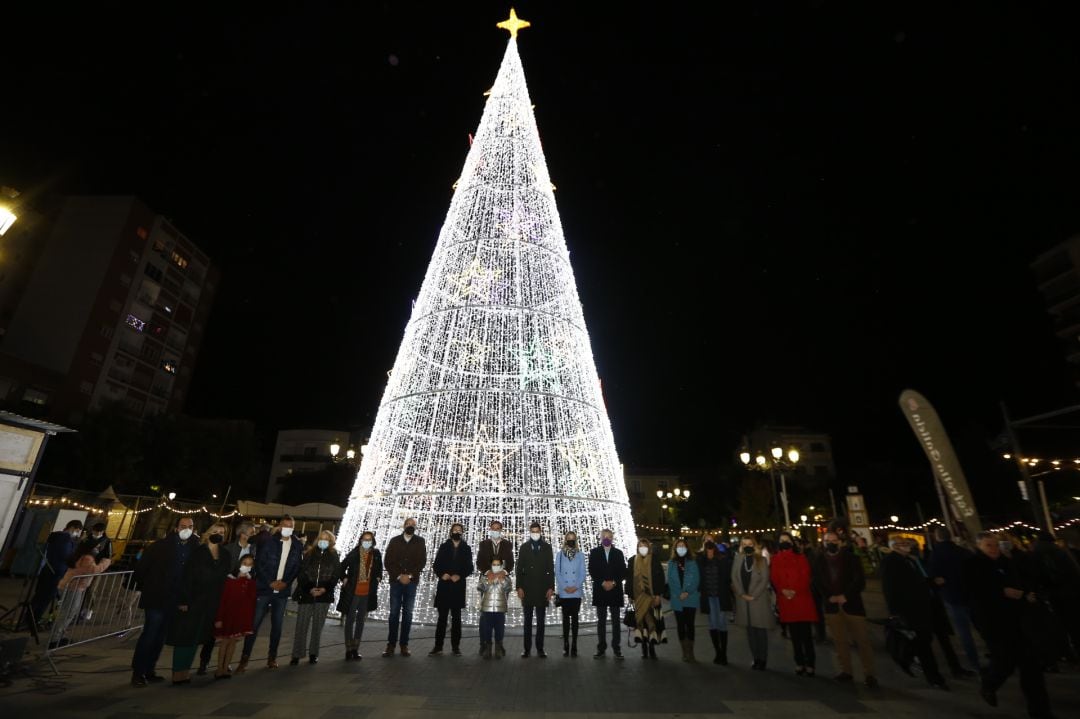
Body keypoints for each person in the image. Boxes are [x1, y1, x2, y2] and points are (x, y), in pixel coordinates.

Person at [963, 532, 1051, 719]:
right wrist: (1001, 592)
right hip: (994, 625)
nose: (994, 549)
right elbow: (975, 594)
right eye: (988, 545)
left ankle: (1040, 712)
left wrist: (1025, 594)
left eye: (995, 545)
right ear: (979, 546)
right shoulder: (973, 565)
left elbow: (1018, 583)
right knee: (1005, 663)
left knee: (1031, 667)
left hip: (1017, 622)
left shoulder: (1005, 562)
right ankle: (989, 684)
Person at [131, 516, 197, 687]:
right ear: (176, 528)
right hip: (157, 597)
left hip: (174, 599)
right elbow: (141, 569)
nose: (186, 529)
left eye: (190, 526)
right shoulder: (160, 546)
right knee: (150, 634)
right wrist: (150, 587)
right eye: (183, 526)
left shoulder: (194, 548)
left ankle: (149, 669)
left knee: (160, 636)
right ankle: (138, 672)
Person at [165, 522, 231, 684]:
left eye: (222, 532)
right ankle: (179, 671)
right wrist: (184, 599)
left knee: (198, 637)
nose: (219, 534)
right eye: (216, 531)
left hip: (212, 601)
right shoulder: (198, 552)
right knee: (185, 636)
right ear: (209, 533)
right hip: (194, 599)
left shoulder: (225, 554)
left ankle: (187, 670)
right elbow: (187, 577)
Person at [811, 530, 877, 688]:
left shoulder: (852, 558)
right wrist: (829, 597)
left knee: (862, 641)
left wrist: (845, 596)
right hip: (832, 606)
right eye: (827, 540)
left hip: (852, 604)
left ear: (840, 542)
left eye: (834, 540)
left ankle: (870, 674)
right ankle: (846, 670)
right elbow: (817, 582)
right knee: (840, 641)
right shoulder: (819, 560)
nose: (831, 543)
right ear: (823, 542)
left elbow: (859, 581)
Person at [881, 536, 949, 690]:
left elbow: (918, 581)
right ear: (893, 547)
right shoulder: (890, 561)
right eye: (901, 544)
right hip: (908, 610)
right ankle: (934, 677)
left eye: (906, 543)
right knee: (922, 643)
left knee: (923, 640)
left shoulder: (910, 560)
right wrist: (894, 612)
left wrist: (932, 583)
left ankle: (915, 662)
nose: (905, 546)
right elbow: (889, 588)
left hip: (922, 608)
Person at [238, 515, 303, 671]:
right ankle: (244, 659)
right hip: (265, 588)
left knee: (277, 626)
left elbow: (296, 567)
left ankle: (272, 657)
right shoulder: (268, 542)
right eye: (285, 525)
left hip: (282, 591)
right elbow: (259, 564)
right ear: (280, 526)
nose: (287, 528)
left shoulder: (297, 545)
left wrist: (285, 582)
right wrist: (270, 582)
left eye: (291, 525)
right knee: (254, 624)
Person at [928, 525, 981, 673]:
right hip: (971, 595)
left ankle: (974, 662)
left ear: (937, 537)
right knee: (981, 626)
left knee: (964, 632)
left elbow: (934, 577)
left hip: (951, 596)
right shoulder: (962, 551)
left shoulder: (936, 553)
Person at [771, 531, 818, 676]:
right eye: (782, 540)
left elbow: (805, 576)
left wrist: (794, 590)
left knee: (806, 635)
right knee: (795, 636)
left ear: (792, 542)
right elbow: (774, 577)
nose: (784, 542)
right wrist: (783, 590)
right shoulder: (776, 559)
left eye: (787, 540)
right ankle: (799, 662)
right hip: (786, 601)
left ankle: (810, 664)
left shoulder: (800, 557)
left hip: (801, 599)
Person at [290, 529, 339, 665]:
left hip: (324, 596)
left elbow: (336, 575)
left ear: (330, 542)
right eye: (321, 538)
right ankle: (297, 654)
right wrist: (309, 588)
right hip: (307, 594)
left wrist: (324, 588)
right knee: (301, 625)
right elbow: (302, 573)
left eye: (326, 539)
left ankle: (313, 653)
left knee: (317, 626)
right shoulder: (309, 553)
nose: (323, 541)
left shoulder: (334, 555)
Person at [382, 517, 427, 657]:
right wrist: (399, 576)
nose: (410, 526)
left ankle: (404, 644)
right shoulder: (394, 540)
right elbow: (388, 561)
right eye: (408, 524)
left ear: (416, 527)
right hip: (396, 582)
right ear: (404, 526)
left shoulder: (420, 541)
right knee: (394, 613)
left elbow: (422, 561)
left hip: (411, 583)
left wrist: (410, 576)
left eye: (413, 525)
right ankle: (391, 644)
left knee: (408, 613)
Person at [429, 522, 474, 656]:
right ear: (451, 532)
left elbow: (469, 567)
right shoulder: (444, 546)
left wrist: (459, 575)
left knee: (456, 618)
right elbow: (436, 564)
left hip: (458, 586)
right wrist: (442, 574)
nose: (457, 532)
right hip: (444, 585)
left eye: (459, 530)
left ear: (462, 533)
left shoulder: (466, 548)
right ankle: (438, 646)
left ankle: (455, 647)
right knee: (442, 618)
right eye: (455, 530)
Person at [28, 520, 83, 627]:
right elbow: (65, 556)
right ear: (72, 527)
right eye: (77, 530)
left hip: (48, 569)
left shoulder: (55, 536)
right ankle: (34, 621)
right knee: (46, 597)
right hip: (57, 571)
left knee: (39, 595)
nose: (77, 533)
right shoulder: (65, 539)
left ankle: (29, 618)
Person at [211, 554, 258, 679]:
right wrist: (219, 618)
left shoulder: (250, 582)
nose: (246, 566)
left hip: (240, 616)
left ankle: (226, 667)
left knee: (233, 642)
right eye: (244, 563)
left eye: (249, 564)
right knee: (224, 642)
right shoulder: (230, 580)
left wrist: (247, 580)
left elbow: (252, 599)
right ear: (239, 564)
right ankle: (219, 668)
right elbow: (223, 600)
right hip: (227, 615)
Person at [338, 530, 382, 661]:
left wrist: (378, 577)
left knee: (360, 621)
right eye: (364, 539)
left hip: (367, 592)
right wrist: (344, 578)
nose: (367, 542)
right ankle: (348, 649)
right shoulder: (354, 553)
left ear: (373, 542)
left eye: (369, 540)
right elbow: (341, 567)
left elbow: (379, 569)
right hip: (353, 592)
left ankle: (356, 648)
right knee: (350, 620)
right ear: (360, 540)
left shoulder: (376, 554)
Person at [52, 545, 106, 647]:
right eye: (96, 546)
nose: (97, 549)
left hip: (73, 587)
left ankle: (60, 635)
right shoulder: (87, 558)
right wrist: (105, 562)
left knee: (69, 612)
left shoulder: (81, 556)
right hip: (73, 588)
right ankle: (55, 638)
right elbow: (94, 570)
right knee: (68, 612)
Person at [515, 521, 555, 658]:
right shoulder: (524, 547)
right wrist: (519, 587)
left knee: (541, 622)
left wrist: (551, 588)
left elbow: (551, 569)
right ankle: (526, 649)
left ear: (541, 532)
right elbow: (519, 569)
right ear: (529, 532)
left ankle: (540, 648)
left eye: (537, 531)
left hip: (542, 589)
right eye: (533, 531)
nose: (535, 533)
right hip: (527, 589)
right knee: (527, 621)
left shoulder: (547, 547)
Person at [732, 536, 772, 670]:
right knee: (749, 631)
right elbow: (734, 577)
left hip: (758, 600)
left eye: (750, 544)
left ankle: (763, 659)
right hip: (743, 600)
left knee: (760, 631)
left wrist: (753, 595)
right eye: (744, 544)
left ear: (754, 545)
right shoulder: (738, 559)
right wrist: (742, 593)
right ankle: (755, 658)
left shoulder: (762, 559)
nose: (747, 546)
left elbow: (765, 579)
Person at [588, 528, 626, 659]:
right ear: (600, 537)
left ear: (612, 538)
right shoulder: (594, 552)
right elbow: (592, 570)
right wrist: (603, 582)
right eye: (604, 536)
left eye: (609, 536)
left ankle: (617, 648)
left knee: (616, 621)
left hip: (615, 591)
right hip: (601, 590)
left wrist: (614, 582)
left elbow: (622, 571)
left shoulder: (618, 553)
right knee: (601, 621)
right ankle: (601, 648)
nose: (606, 538)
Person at [626, 537, 665, 659]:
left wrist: (658, 594)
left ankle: (652, 647)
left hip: (652, 597)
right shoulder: (632, 560)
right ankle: (643, 647)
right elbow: (629, 579)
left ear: (648, 548)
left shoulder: (654, 560)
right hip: (638, 597)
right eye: (640, 546)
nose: (643, 548)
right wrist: (630, 596)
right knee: (641, 623)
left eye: (645, 546)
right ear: (637, 548)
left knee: (652, 622)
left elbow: (660, 578)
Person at [698, 534, 733, 665]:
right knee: (713, 623)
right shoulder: (701, 559)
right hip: (709, 597)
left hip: (720, 595)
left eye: (711, 540)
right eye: (706, 540)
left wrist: (727, 550)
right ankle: (717, 652)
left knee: (722, 623)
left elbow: (729, 570)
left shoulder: (722, 558)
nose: (709, 542)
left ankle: (724, 653)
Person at [667, 538, 700, 662]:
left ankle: (691, 652)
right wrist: (679, 593)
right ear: (675, 548)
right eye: (678, 546)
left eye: (683, 546)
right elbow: (670, 581)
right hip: (677, 599)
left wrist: (687, 592)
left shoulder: (692, 562)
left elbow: (696, 579)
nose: (681, 548)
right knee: (681, 625)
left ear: (687, 548)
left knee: (690, 624)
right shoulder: (671, 563)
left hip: (690, 598)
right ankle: (684, 652)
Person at [555, 530, 586, 657]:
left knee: (575, 619)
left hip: (576, 592)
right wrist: (565, 587)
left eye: (573, 538)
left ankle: (574, 644)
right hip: (564, 592)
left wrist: (575, 586)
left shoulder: (580, 555)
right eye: (569, 538)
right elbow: (557, 572)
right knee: (566, 619)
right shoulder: (560, 554)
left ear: (576, 540)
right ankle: (566, 643)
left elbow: (583, 573)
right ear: (565, 540)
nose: (571, 541)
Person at [478, 558, 513, 659]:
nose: (496, 566)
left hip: (500, 608)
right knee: (487, 628)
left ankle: (498, 647)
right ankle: (488, 648)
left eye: (498, 564)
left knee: (499, 629)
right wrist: (487, 582)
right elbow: (480, 587)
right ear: (491, 565)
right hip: (487, 608)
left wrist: (503, 581)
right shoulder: (485, 577)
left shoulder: (505, 578)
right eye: (494, 564)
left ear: (501, 566)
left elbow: (509, 588)